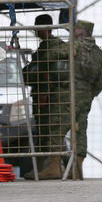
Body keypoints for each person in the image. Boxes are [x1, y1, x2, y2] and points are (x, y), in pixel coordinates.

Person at [23, 14, 69, 180]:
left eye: (38, 27)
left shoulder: (52, 48)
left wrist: (44, 92)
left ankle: (53, 167)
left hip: (51, 97)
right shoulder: (45, 48)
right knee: (42, 131)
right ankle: (43, 167)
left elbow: (47, 74)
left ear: (47, 28)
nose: (36, 31)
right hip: (45, 95)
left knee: (51, 130)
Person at [68, 19, 102, 179]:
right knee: (80, 128)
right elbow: (100, 82)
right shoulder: (97, 52)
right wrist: (89, 94)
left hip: (69, 93)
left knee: (60, 126)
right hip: (86, 94)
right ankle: (78, 164)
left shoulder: (74, 47)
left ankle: (55, 163)